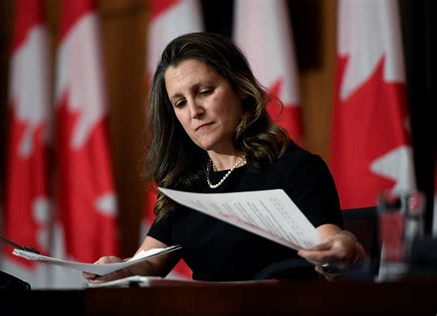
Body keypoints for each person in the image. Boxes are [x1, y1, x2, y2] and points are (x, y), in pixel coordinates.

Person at [84, 32, 364, 283]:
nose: (194, 111)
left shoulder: (296, 168)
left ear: (240, 89)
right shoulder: (185, 185)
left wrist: (341, 250)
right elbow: (147, 265)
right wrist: (118, 269)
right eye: (180, 103)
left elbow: (331, 248)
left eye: (204, 92)